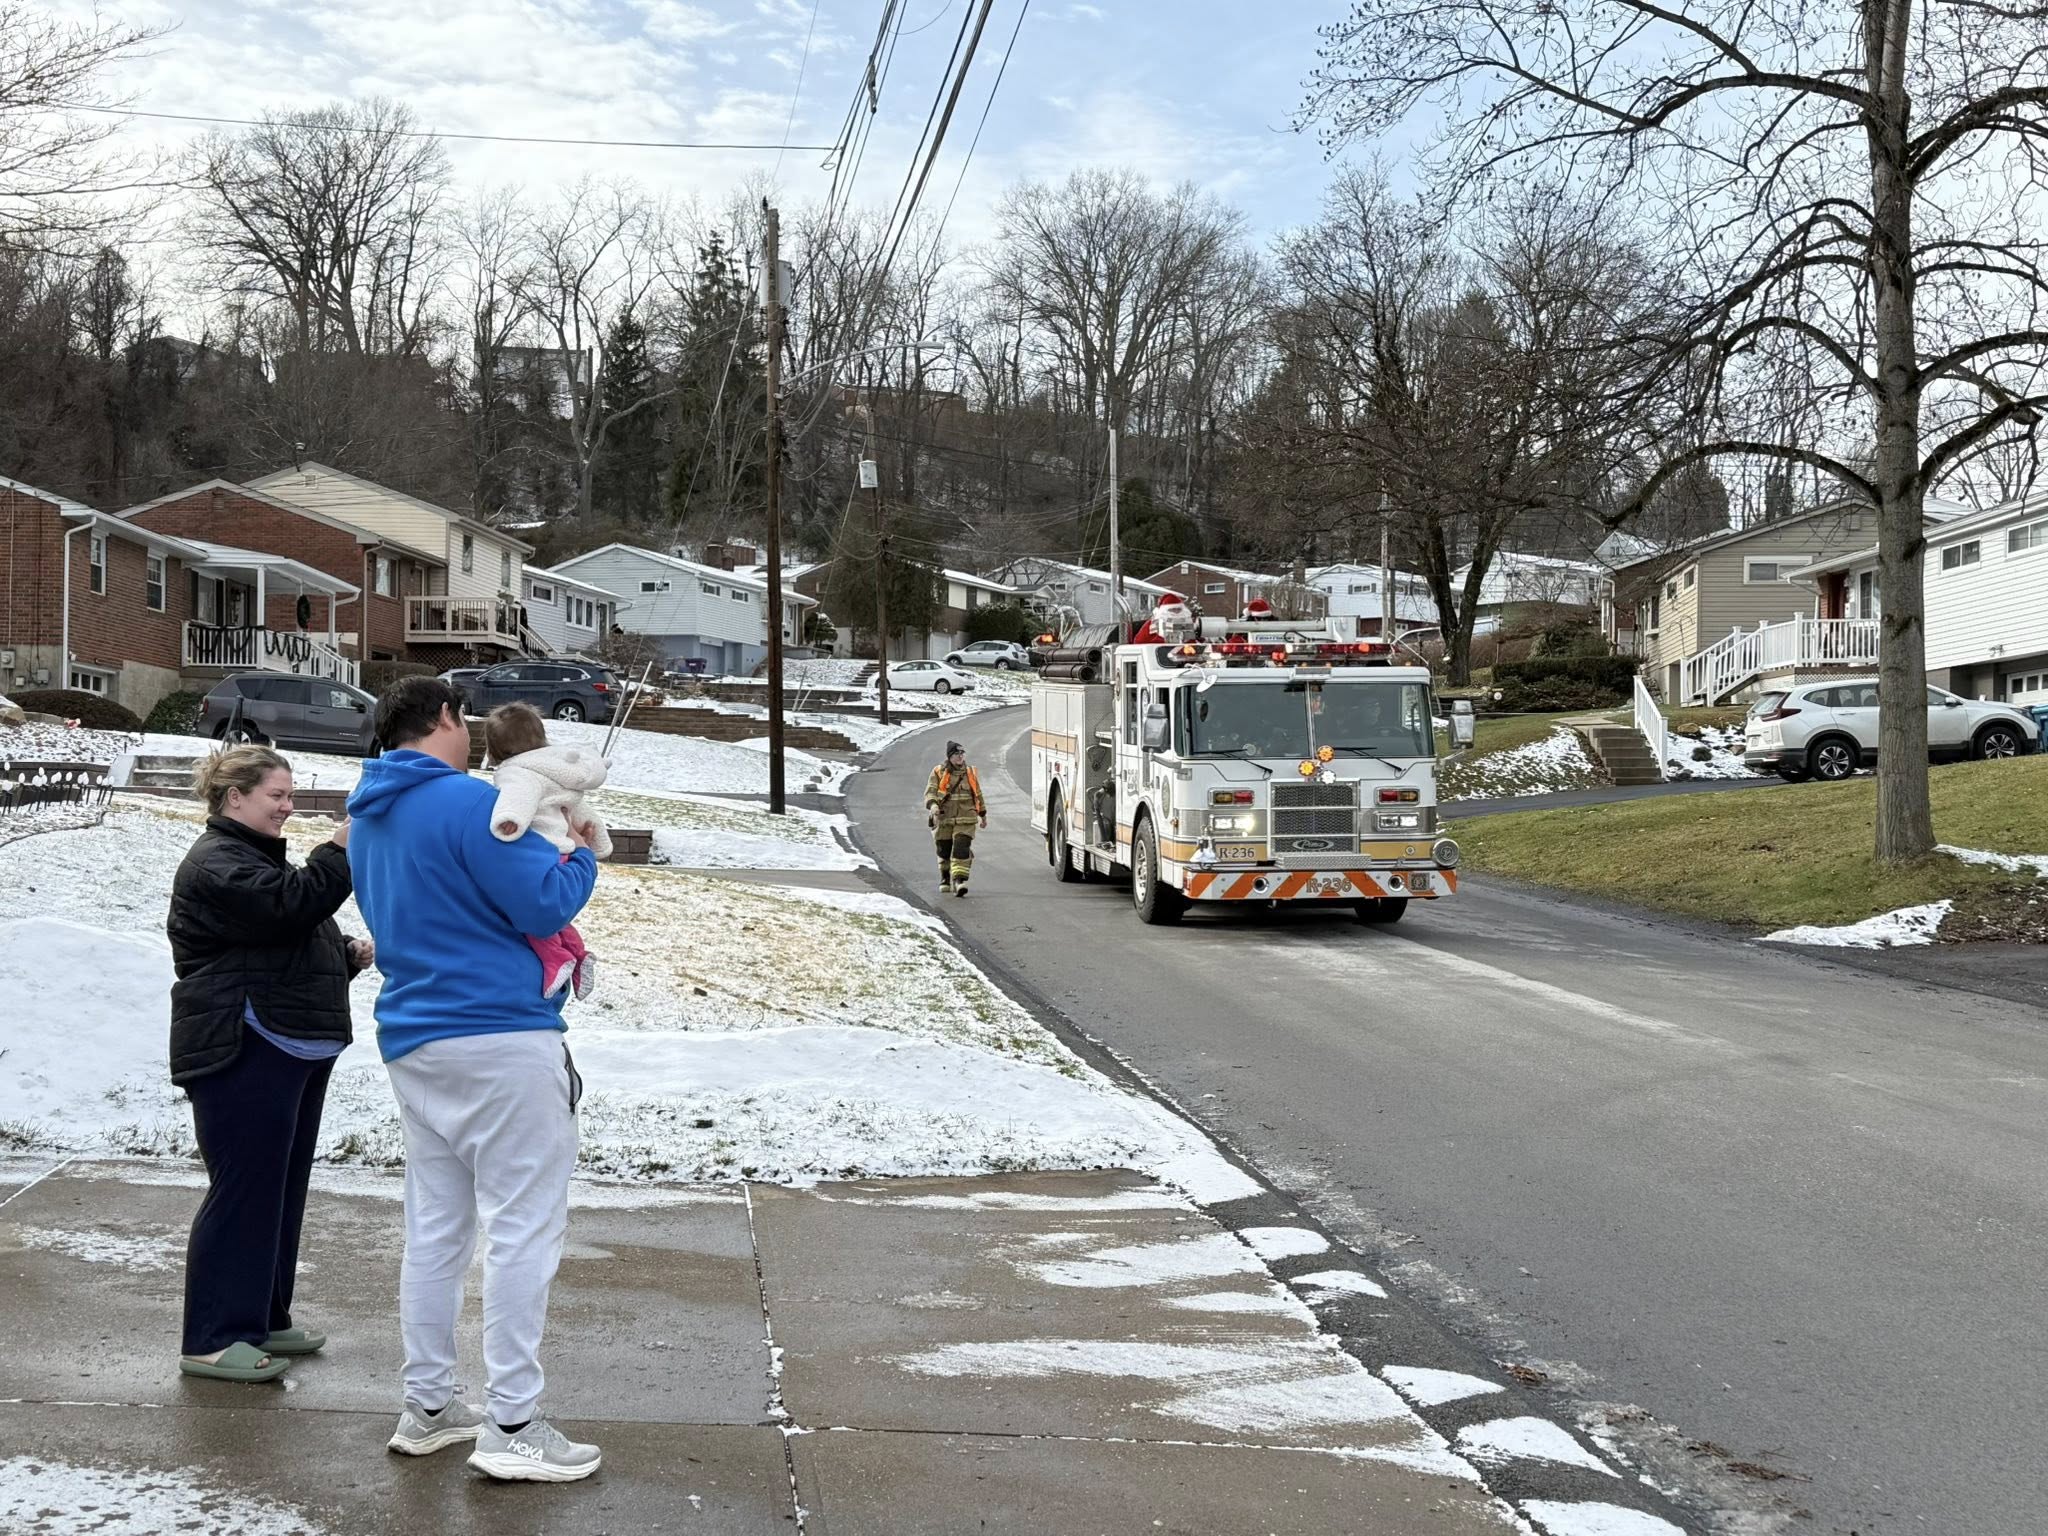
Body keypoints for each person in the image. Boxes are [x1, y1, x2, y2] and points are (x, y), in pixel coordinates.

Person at [346, 677, 604, 1482]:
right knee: (524, 1228)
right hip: (499, 1037)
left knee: (436, 1230)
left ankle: (428, 1407)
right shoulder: (469, 802)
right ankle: (514, 1424)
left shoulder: (367, 813)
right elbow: (542, 901)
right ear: (446, 719)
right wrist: (584, 854)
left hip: (413, 1038)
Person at [168, 745, 373, 1384]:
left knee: (279, 1190)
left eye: (289, 795)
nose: (287, 807)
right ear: (235, 798)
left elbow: (277, 940)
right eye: (276, 796)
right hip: (243, 1044)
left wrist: (342, 954)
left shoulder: (255, 861)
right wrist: (338, 849)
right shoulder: (217, 861)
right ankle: (212, 1339)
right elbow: (289, 907)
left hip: (290, 1044)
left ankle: (262, 1318)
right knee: (244, 1190)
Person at [484, 702, 613, 1000]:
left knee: (531, 919)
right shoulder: (554, 771)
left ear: (495, 750)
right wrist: (597, 840)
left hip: (540, 852)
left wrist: (510, 820)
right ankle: (579, 955)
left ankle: (557, 962)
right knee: (558, 920)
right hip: (563, 852)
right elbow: (576, 807)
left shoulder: (517, 772)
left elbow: (518, 797)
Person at [924, 739, 987, 897]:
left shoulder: (970, 772)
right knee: (943, 851)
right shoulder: (939, 772)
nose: (960, 756)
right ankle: (945, 877)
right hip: (944, 819)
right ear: (949, 756)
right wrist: (933, 806)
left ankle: (959, 881)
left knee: (961, 847)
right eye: (956, 754)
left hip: (966, 818)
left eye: (962, 753)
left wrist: (983, 814)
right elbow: (930, 792)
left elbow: (978, 794)